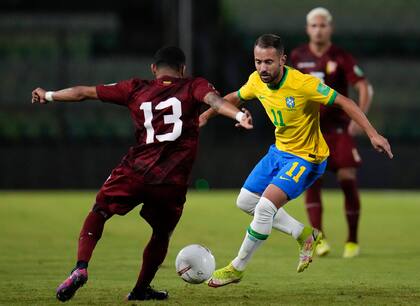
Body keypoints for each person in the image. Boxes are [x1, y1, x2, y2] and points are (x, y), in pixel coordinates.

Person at [31, 46, 253, 301]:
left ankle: (80, 267)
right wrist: (238, 114)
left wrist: (47, 95)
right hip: (171, 181)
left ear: (153, 69)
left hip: (135, 170)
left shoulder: (136, 87)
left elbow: (83, 92)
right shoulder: (194, 86)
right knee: (161, 234)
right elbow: (215, 101)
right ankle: (140, 289)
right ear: (183, 69)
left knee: (99, 212)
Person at [199, 34, 392, 287]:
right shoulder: (256, 80)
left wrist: (373, 133)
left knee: (266, 208)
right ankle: (304, 234)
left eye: (269, 62)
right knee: (246, 201)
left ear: (283, 60)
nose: (262, 68)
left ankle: (237, 267)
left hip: (307, 157)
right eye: (258, 61)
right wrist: (205, 116)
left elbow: (345, 101)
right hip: (279, 152)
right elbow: (236, 96)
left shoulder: (303, 84)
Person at [290, 7, 373, 258]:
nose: (318, 29)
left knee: (347, 177)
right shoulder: (296, 56)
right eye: (314, 26)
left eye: (322, 25)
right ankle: (319, 238)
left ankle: (352, 240)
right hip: (310, 130)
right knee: (312, 181)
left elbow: (363, 87)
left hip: (338, 129)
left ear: (330, 28)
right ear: (307, 29)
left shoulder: (341, 56)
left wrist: (360, 118)